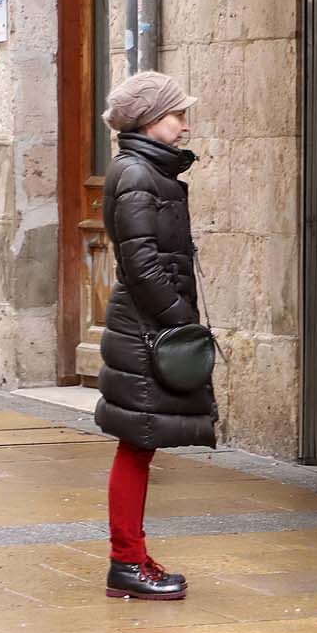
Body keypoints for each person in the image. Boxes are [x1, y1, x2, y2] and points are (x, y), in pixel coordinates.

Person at [95, 70, 215, 600]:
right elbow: (142, 264)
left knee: (139, 444)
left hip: (147, 325)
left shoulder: (146, 171)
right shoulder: (137, 174)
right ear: (148, 120)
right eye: (177, 115)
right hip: (146, 328)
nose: (185, 126)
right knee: (136, 444)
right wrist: (178, 321)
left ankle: (133, 556)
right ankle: (126, 562)